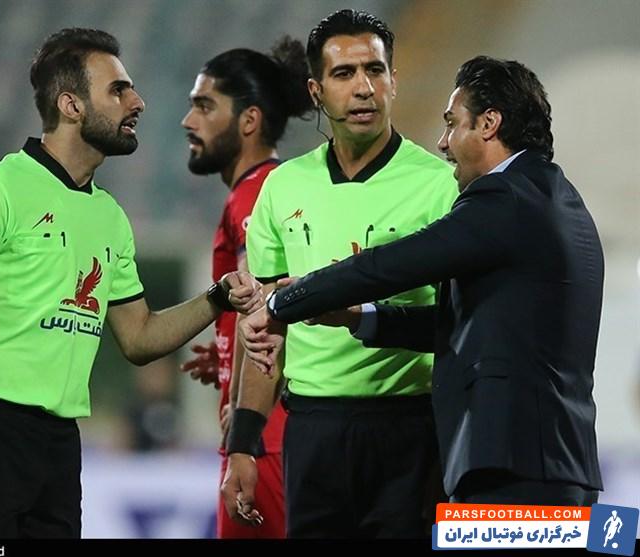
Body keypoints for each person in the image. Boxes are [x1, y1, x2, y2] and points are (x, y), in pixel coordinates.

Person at [0, 28, 261, 539]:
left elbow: (140, 337)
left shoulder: (110, 217)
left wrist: (218, 298)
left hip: (59, 446)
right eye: (118, 90)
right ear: (71, 105)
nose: (137, 102)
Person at [241, 55, 604, 507]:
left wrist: (282, 302)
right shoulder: (557, 198)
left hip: (510, 468)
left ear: (489, 124)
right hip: (556, 466)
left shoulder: (503, 198)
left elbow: (390, 265)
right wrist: (357, 317)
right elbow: (464, 330)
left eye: (452, 124)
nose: (442, 142)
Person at [221, 10, 459, 538]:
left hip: (411, 429)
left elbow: (459, 322)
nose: (363, 88)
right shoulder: (283, 188)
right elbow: (265, 330)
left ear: (394, 81)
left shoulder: (441, 186)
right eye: (344, 74)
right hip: (314, 431)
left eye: (375, 70)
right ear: (317, 91)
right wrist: (243, 443)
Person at [179, 38, 313, 538]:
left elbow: (265, 308)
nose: (189, 121)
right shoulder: (266, 190)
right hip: (272, 434)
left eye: (205, 105)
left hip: (263, 437)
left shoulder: (257, 196)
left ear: (249, 120)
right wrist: (225, 351)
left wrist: (243, 429)